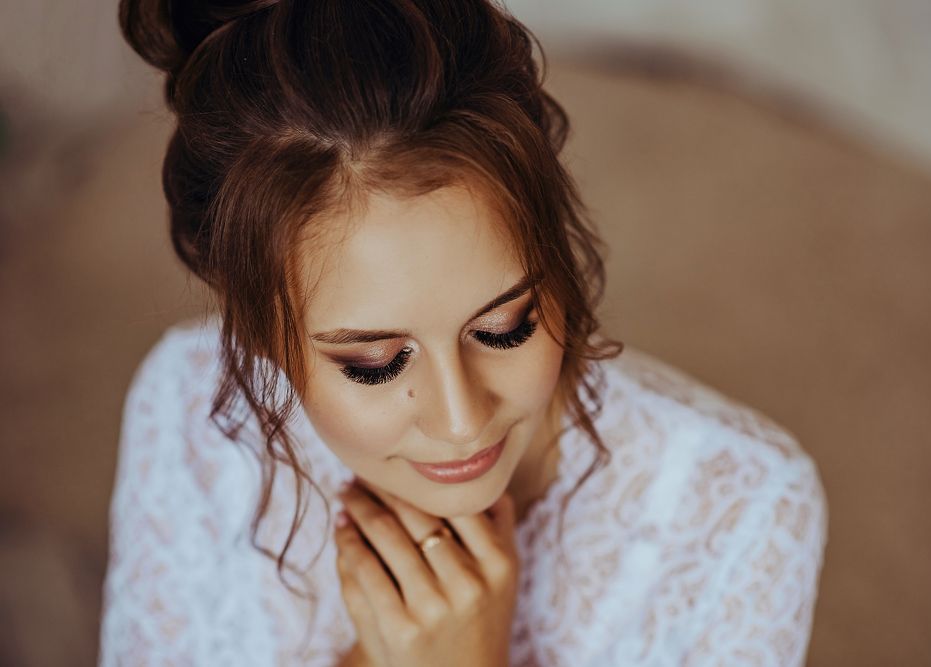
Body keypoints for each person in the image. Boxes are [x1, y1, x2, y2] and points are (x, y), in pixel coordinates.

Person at [99, 1, 828, 665]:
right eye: (376, 363)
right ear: (259, 332)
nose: (462, 422)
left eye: (506, 327)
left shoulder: (748, 507)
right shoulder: (188, 402)